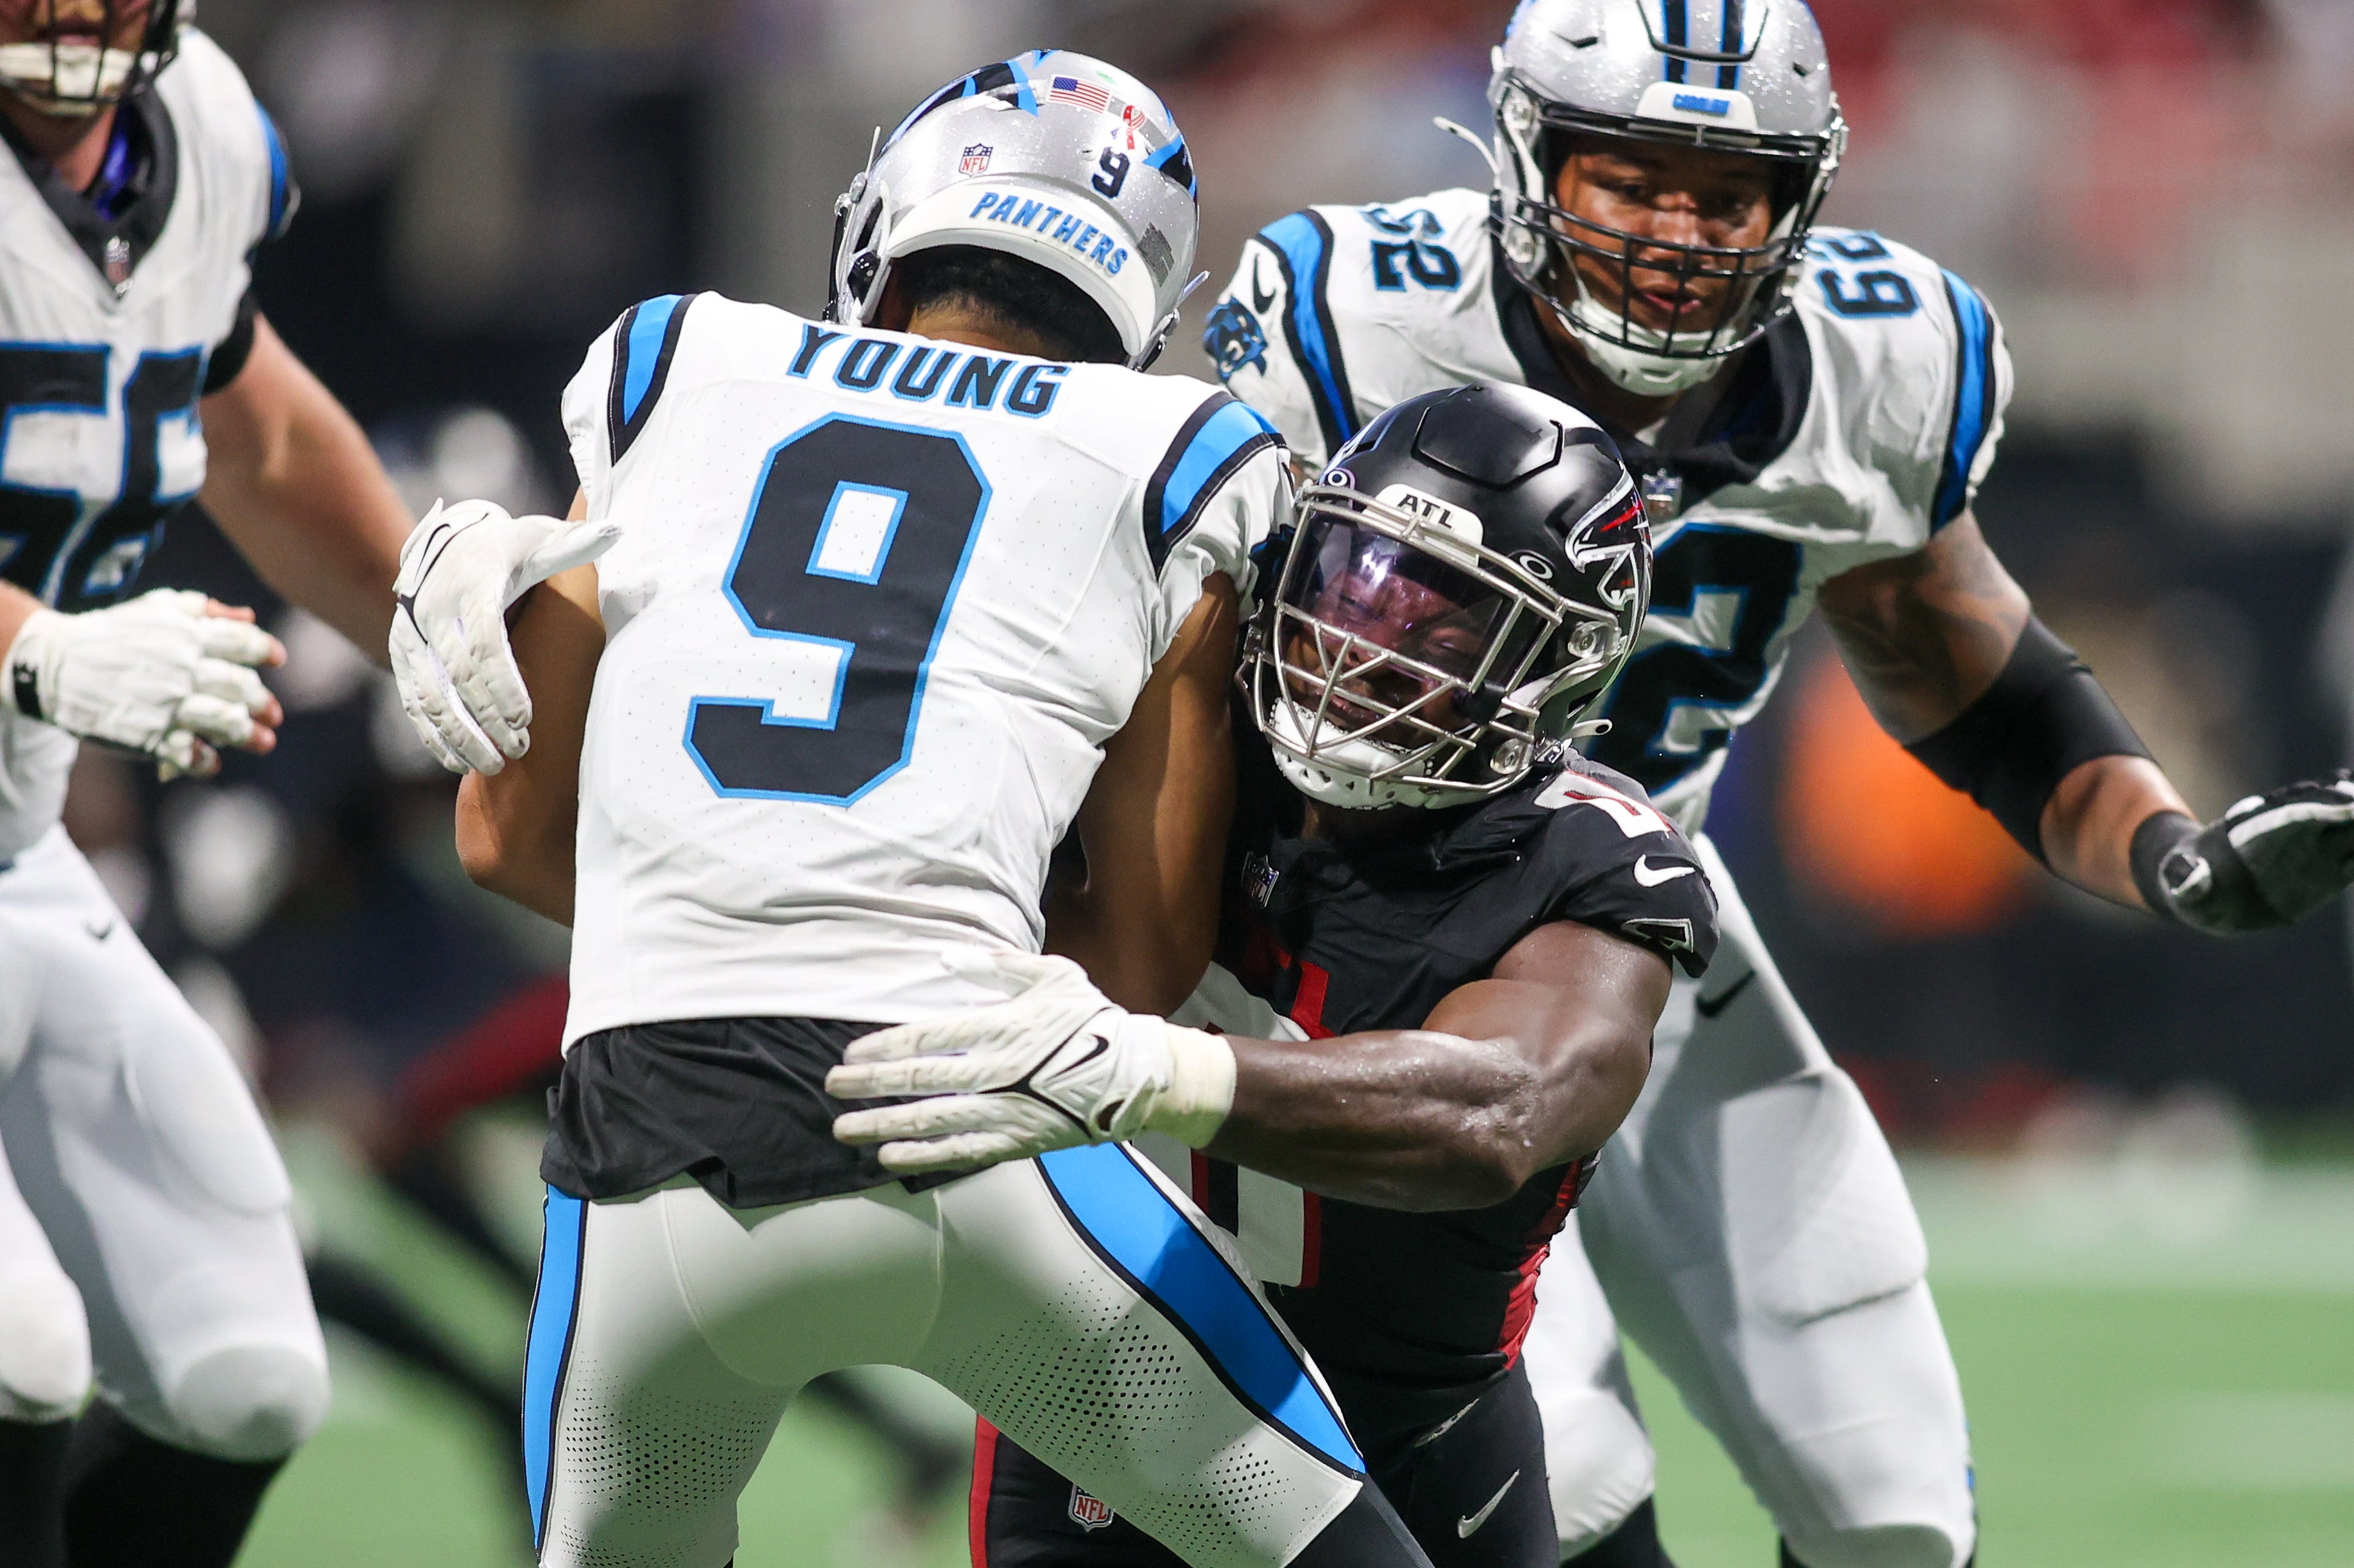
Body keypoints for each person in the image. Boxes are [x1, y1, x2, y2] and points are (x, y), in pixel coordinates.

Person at [1195, 3, 2354, 1566]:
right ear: (1525, 159)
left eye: (1721, 191)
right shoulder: (1361, 313)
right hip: (1378, 932)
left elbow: (1965, 668)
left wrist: (2168, 855)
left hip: (1644, 913)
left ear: (1798, 198)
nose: (1675, 234)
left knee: (1887, 1505)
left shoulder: (1878, 359)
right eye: (1628, 179)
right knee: (1572, 1483)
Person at [400, 52, 1439, 1568]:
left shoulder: (671, 360)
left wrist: (724, 901)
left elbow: (500, 838)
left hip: (643, 1159)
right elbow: (1136, 961)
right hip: (972, 1133)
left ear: (890, 217)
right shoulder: (1182, 452)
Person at [821, 383, 1721, 1568]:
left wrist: (1149, 1070)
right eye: (1355, 578)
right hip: (1105, 1397)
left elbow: (1497, 1108)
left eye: (1444, 624)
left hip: (1416, 1437)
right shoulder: (1177, 736)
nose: (1361, 642)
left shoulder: (1589, 862)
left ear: (1553, 668)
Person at [0, 3, 417, 1565]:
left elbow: (246, 423)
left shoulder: (204, 136)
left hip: (15, 839)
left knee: (237, 1374)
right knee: (19, 1350)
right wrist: (42, 649)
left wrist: (433, 615)